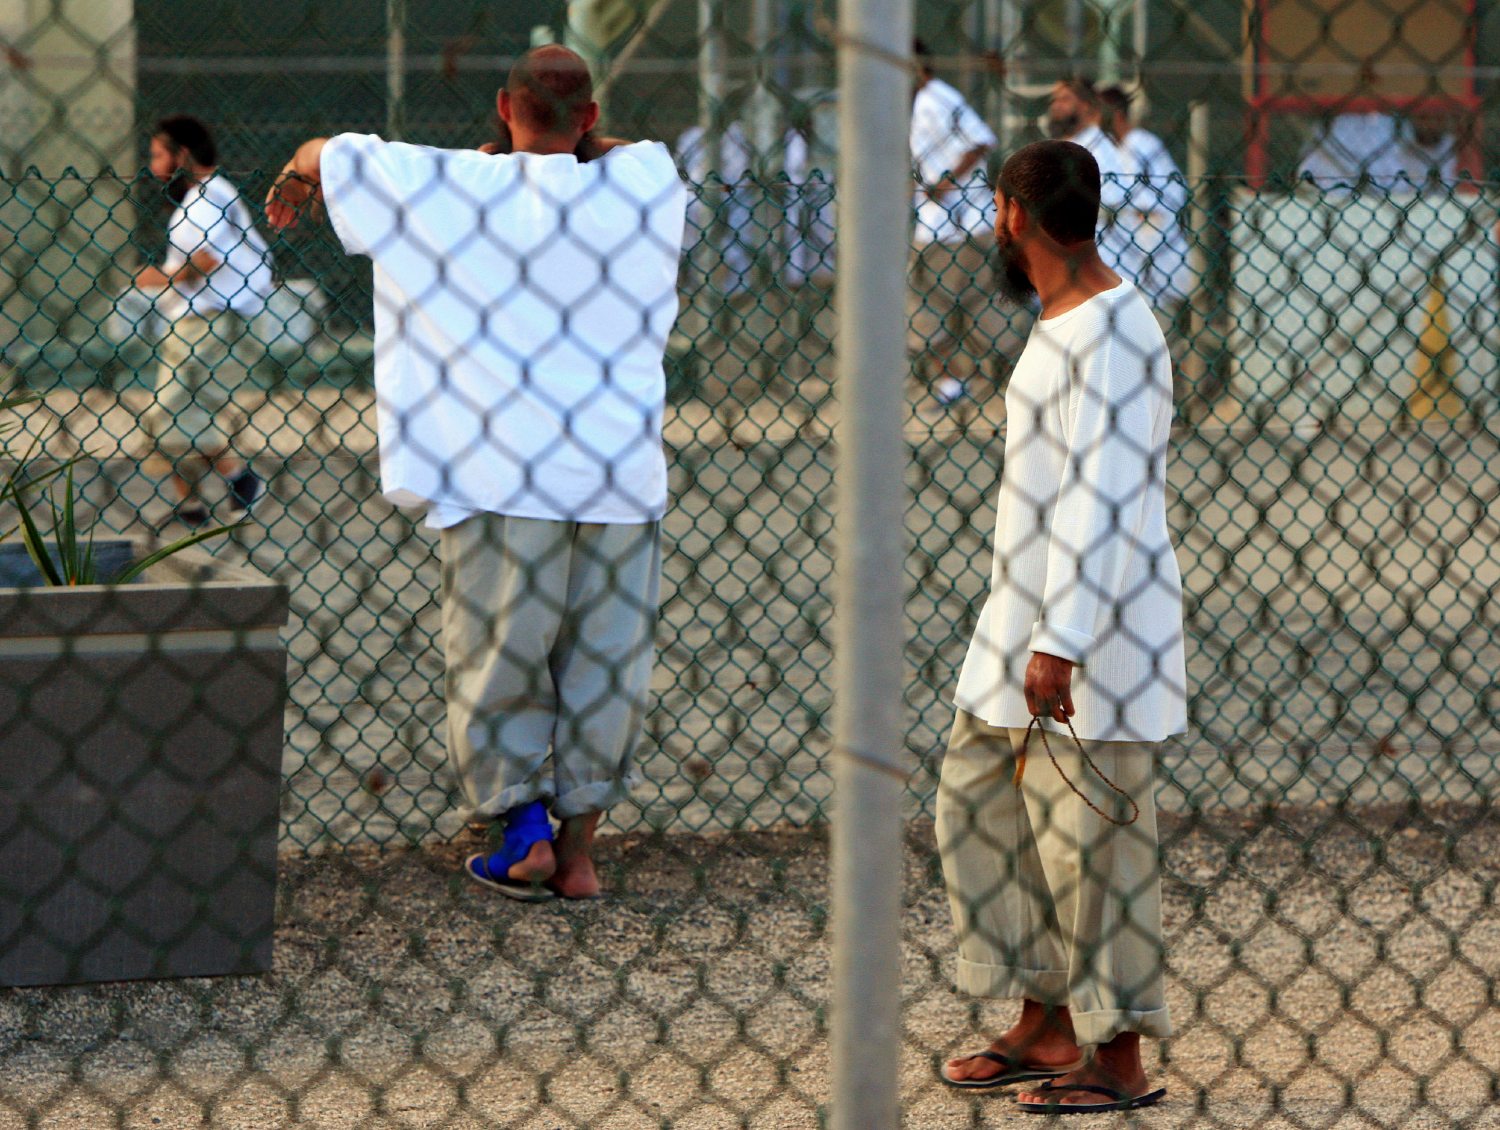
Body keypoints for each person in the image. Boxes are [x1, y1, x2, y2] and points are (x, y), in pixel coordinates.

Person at [265, 45, 688, 901]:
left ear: (502, 106)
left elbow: (321, 149)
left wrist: (297, 173)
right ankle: (580, 856)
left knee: (501, 656)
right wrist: (571, 148)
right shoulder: (644, 181)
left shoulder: (445, 184)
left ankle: (521, 829)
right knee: (605, 661)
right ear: (592, 119)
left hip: (502, 471)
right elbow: (613, 149)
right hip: (617, 470)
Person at [935, 139, 1186, 1112]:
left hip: (1091, 638)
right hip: (1021, 620)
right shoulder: (1064, 319)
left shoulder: (1116, 334)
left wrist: (1062, 640)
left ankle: (1113, 1051)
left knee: (1093, 844)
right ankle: (1045, 1019)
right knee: (979, 807)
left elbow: (1107, 500)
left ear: (1009, 215)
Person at [137, 115, 272, 526]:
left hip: (213, 321)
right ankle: (193, 505)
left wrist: (154, 277)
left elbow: (206, 259)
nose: (152, 164)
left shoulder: (205, 200)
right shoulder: (207, 196)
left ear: (183, 155)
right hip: (198, 321)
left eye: (160, 154)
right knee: (179, 416)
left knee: (172, 414)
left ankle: (240, 479)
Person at [909, 38, 1000, 408]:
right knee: (960, 310)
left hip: (951, 228)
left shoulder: (935, 97)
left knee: (929, 308)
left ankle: (954, 383)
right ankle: (956, 383)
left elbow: (980, 141)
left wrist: (944, 184)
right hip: (948, 225)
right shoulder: (920, 102)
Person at [1100, 86, 1192, 313]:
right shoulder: (1111, 149)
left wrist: (1138, 210)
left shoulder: (1141, 143)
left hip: (1150, 249)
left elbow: (1170, 194)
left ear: (1116, 113)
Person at [1047, 80, 1135, 281]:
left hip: (1104, 261)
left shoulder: (1098, 148)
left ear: (1086, 106)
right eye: (1054, 100)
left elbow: (1111, 204)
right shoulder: (1068, 146)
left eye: (1065, 99)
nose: (1056, 105)